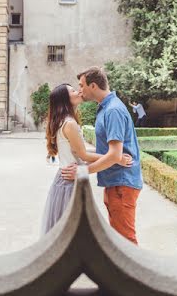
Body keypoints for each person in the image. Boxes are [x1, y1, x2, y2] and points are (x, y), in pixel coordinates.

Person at [62, 67, 143, 244]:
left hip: (122, 183)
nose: (80, 90)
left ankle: (129, 273)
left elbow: (114, 155)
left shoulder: (112, 110)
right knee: (118, 240)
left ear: (93, 85)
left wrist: (83, 172)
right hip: (114, 182)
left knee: (125, 241)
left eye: (81, 85)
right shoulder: (105, 108)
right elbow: (109, 154)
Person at [41, 83, 132, 234]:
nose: (78, 92)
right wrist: (117, 158)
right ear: (65, 98)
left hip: (64, 178)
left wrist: (107, 153)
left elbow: (77, 152)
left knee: (65, 232)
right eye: (73, 91)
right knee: (72, 232)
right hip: (70, 180)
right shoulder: (70, 123)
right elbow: (83, 155)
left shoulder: (63, 121)